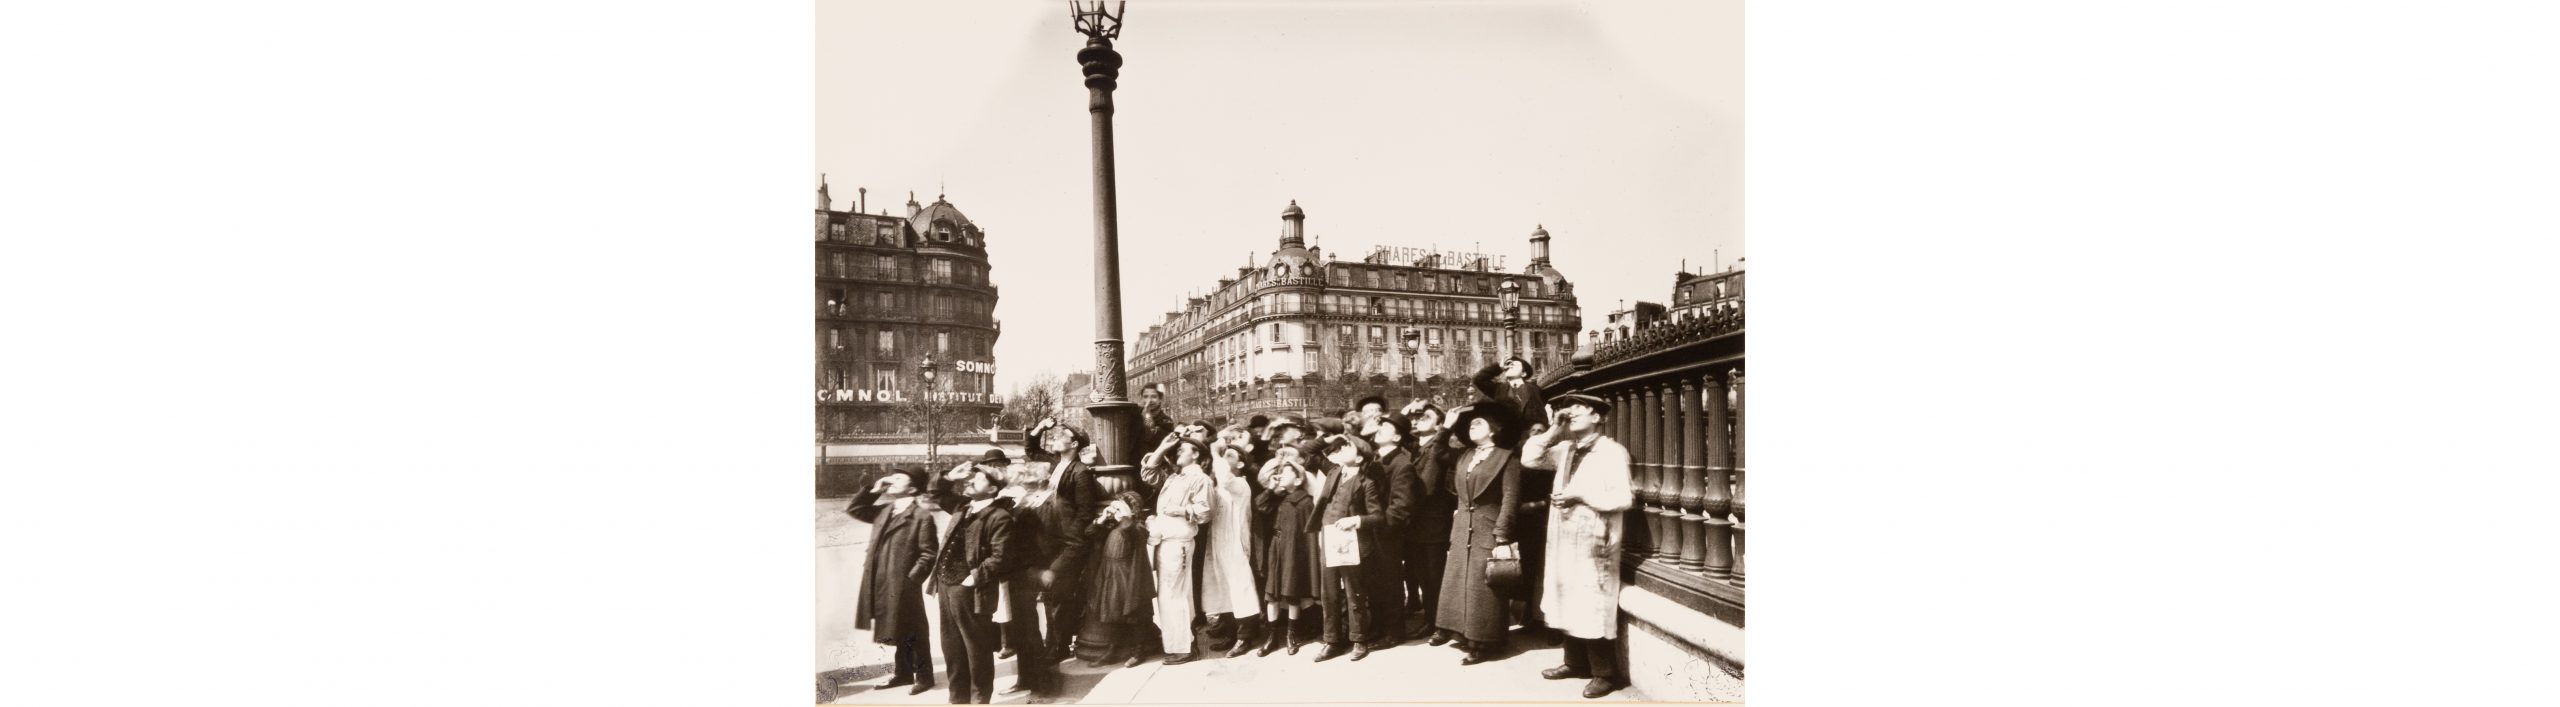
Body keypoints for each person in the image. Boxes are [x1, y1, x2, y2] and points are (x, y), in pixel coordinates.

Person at [1522, 394, 1635, 699]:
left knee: (1592, 601)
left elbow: (1624, 498)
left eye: (1579, 409)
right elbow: (1529, 458)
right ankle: (1574, 662)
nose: (1570, 413)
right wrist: (1552, 432)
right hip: (1565, 536)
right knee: (1565, 595)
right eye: (1567, 409)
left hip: (1594, 539)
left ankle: (1605, 673)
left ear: (1598, 417)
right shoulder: (1565, 449)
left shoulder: (1612, 452)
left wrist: (1582, 496)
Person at [1434, 404, 1522, 665]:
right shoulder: (1465, 456)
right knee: (1461, 581)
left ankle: (1484, 641)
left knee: (1484, 586)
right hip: (1462, 527)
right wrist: (1446, 427)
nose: (1472, 426)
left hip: (1488, 527)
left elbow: (1510, 498)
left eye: (1479, 423)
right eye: (1471, 424)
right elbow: (1437, 453)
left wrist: (1502, 534)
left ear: (1494, 431)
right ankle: (1464, 632)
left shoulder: (1507, 458)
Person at [926, 463, 1019, 705]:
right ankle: (957, 699)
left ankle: (979, 700)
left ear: (992, 489)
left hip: (971, 590)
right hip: (946, 586)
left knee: (976, 650)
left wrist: (974, 577)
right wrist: (948, 476)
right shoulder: (962, 507)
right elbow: (936, 493)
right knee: (952, 648)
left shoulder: (999, 517)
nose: (971, 481)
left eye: (979, 478)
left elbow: (1001, 556)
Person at [845, 469, 938, 696]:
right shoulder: (886, 509)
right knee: (898, 625)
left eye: (899, 478)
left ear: (913, 488)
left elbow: (929, 553)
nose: (891, 480)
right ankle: (903, 673)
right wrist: (873, 490)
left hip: (903, 583)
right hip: (882, 579)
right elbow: (855, 509)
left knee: (914, 627)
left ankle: (925, 676)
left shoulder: (921, 516)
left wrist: (910, 580)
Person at [1000, 462, 1085, 698]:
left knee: (1042, 637)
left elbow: (1073, 544)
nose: (1020, 486)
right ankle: (1026, 679)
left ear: (1040, 482)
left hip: (1046, 575)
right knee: (1022, 632)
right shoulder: (1026, 504)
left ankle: (1044, 687)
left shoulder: (1058, 504)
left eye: (1026, 482)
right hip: (1023, 574)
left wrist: (1052, 572)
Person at [1310, 433, 1388, 662]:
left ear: (1361, 457)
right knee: (1329, 593)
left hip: (1352, 543)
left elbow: (1378, 516)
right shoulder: (1334, 472)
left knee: (1355, 592)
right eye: (1341, 446)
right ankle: (1332, 640)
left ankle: (1359, 639)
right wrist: (1328, 438)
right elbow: (1311, 451)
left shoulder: (1367, 482)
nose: (1342, 448)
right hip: (1329, 540)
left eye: (1348, 446)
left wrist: (1357, 520)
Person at [1145, 438, 1215, 665]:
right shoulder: (1176, 477)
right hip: (1167, 541)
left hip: (1179, 542)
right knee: (1171, 595)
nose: (1177, 454)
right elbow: (1148, 473)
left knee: (1175, 596)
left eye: (1181, 450)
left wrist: (1180, 510)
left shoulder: (1199, 478)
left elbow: (1206, 511)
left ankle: (1183, 647)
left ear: (1196, 455)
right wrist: (1163, 446)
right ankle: (1180, 643)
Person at [1201, 428, 1266, 657]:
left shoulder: (1241, 483)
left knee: (1240, 587)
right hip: (1218, 541)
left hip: (1235, 542)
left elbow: (1226, 478)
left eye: (1231, 456)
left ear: (1240, 464)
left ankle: (1245, 636)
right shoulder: (1218, 484)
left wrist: (1216, 453)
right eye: (1224, 454)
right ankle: (1230, 633)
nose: (1224, 458)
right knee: (1222, 586)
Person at [1399, 401, 1459, 641]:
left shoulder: (1441, 446)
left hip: (1434, 521)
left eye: (1426, 416)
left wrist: (1445, 430)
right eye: (1416, 416)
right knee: (1421, 573)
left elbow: (1430, 481)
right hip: (1415, 521)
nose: (1418, 419)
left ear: (1439, 423)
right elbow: (1394, 433)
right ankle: (1431, 619)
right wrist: (1403, 413)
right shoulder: (1414, 445)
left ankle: (1439, 624)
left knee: (1434, 575)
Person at [1360, 415, 1418, 653]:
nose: (1379, 429)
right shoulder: (1376, 458)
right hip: (1371, 530)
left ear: (1397, 436)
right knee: (1372, 582)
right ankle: (1378, 626)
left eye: (1385, 427)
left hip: (1386, 534)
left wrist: (1382, 528)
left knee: (1390, 583)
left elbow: (1401, 505)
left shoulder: (1402, 463)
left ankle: (1394, 632)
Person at [1252, 454, 1321, 656]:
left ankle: (1291, 634)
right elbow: (1259, 506)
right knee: (1272, 595)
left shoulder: (1305, 502)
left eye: (1285, 473)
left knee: (1292, 594)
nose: (1279, 476)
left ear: (1299, 479)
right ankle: (1273, 636)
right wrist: (1271, 489)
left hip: (1294, 552)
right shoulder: (1276, 497)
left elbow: (1309, 535)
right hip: (1277, 549)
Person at [1082, 491, 1156, 668]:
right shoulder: (1111, 526)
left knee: (1133, 613)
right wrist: (1102, 519)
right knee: (1112, 612)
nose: (1114, 511)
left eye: (1119, 507)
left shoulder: (1137, 527)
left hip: (1127, 576)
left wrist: (1125, 517)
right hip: (1110, 573)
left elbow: (1135, 534)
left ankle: (1139, 652)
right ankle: (1112, 650)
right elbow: (1089, 533)